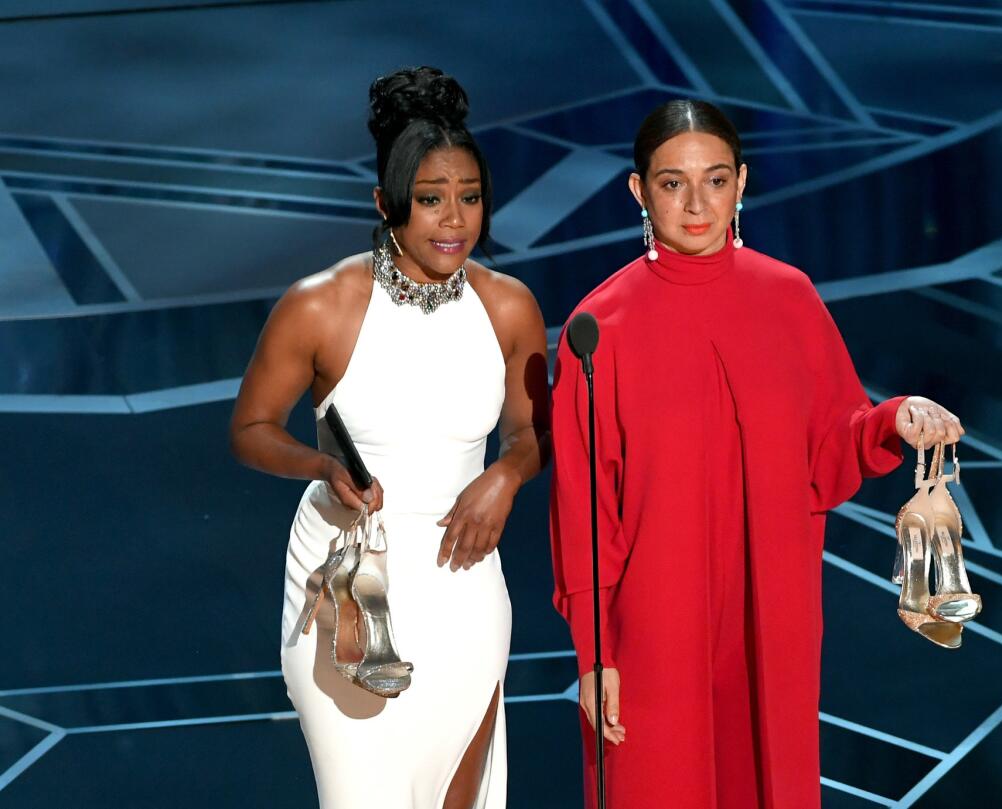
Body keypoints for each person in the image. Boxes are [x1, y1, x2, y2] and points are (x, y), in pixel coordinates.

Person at [549, 99, 964, 808]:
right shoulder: (600, 325)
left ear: (741, 182)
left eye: (714, 180)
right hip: (653, 622)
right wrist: (595, 653)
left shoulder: (788, 297)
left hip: (771, 609)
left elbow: (834, 440)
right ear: (638, 190)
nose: (696, 203)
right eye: (672, 182)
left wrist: (897, 418)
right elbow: (585, 509)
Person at [230, 66, 549, 809]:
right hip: (348, 583)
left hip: (465, 581)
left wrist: (506, 476)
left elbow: (533, 431)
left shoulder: (508, 307)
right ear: (385, 202)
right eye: (432, 200)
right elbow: (249, 428)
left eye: (470, 198)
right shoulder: (322, 306)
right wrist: (319, 463)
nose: (454, 220)